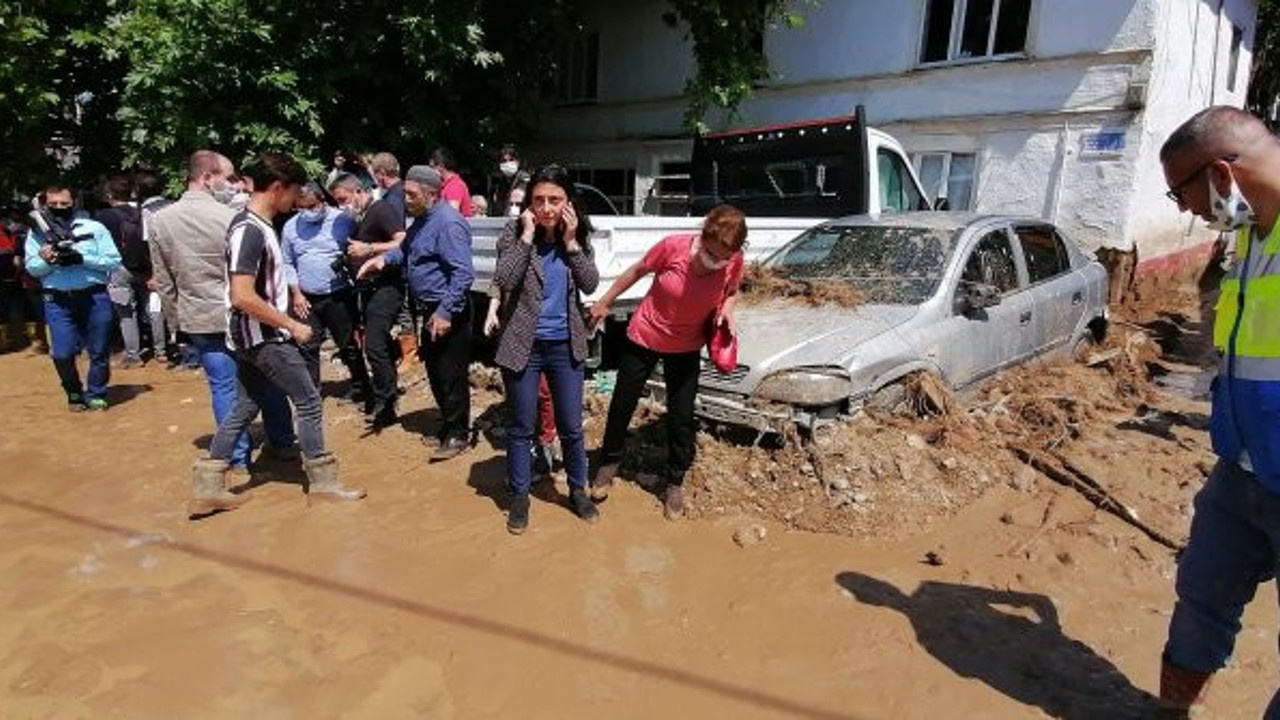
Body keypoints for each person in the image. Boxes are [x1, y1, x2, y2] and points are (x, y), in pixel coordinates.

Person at [1157, 105, 1280, 718]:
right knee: (1201, 594)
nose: (1183, 209)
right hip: (1240, 466)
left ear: (1221, 175)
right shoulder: (1252, 239)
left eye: (1181, 192)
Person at [191, 152, 366, 518]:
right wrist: (291, 325)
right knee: (309, 400)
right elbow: (242, 295)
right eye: (293, 192)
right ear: (276, 188)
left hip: (256, 336)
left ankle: (208, 485)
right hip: (265, 337)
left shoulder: (255, 226)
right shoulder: (250, 231)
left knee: (244, 405)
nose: (296, 200)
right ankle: (322, 483)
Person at [587, 205, 746, 519]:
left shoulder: (733, 261)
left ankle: (674, 481)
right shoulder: (672, 247)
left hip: (687, 346)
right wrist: (605, 302)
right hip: (644, 336)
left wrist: (728, 309)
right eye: (712, 254)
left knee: (682, 416)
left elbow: (732, 291)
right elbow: (636, 271)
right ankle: (608, 464)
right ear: (702, 238)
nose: (716, 262)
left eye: (723, 257)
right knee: (622, 404)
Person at [150, 150, 297, 475]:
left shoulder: (160, 220)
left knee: (223, 386)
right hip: (244, 315)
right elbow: (254, 274)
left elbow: (164, 280)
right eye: (228, 178)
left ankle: (237, 460)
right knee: (268, 380)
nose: (235, 185)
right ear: (206, 177)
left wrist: (178, 324)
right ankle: (284, 444)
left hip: (199, 317)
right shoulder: (234, 217)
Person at [491, 165, 600, 533]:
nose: (547, 208)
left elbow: (590, 283)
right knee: (521, 425)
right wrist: (525, 237)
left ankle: (577, 490)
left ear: (568, 202)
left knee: (571, 425)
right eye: (539, 200)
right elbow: (504, 279)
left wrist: (570, 242)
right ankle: (520, 495)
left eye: (555, 200)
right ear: (528, 204)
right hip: (524, 343)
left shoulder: (579, 233)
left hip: (565, 345)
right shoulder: (514, 232)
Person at [358, 165, 473, 457]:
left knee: (450, 374)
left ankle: (459, 434)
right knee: (435, 371)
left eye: (411, 194)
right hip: (429, 310)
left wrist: (446, 312)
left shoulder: (448, 223)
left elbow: (462, 274)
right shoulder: (421, 221)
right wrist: (384, 259)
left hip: (448, 310)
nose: (405, 199)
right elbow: (406, 249)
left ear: (431, 194)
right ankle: (448, 426)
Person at [23, 186, 122, 411]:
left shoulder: (94, 227)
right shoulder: (37, 233)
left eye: (64, 204)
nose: (59, 208)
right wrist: (47, 259)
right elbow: (32, 269)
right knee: (62, 353)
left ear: (74, 203)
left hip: (94, 297)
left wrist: (81, 258)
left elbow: (113, 261)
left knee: (99, 350)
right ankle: (73, 391)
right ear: (45, 205)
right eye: (53, 205)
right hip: (57, 300)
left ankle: (97, 392)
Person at [281, 182, 372, 408]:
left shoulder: (343, 221)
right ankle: (311, 392)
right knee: (307, 344)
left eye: (311, 205)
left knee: (348, 343)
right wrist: (297, 293)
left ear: (322, 201)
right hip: (306, 298)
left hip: (338, 294)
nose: (307, 211)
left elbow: (359, 246)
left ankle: (361, 386)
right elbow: (287, 262)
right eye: (300, 207)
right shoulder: (290, 228)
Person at [339, 159, 408, 430]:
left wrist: (369, 249)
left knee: (374, 345)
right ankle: (388, 397)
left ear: (358, 191)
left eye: (344, 198)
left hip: (386, 286)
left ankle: (385, 401)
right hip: (368, 288)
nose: (344, 205)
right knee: (378, 343)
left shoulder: (382, 209)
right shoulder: (362, 215)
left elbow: (402, 241)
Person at [96, 175, 148, 367]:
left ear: (110, 194)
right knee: (155, 309)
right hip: (146, 267)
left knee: (126, 312)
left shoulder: (104, 217)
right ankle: (161, 349)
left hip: (118, 268)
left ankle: (133, 354)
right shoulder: (143, 212)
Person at [135, 169, 174, 364]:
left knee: (156, 309)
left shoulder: (145, 213)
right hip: (180, 266)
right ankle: (181, 345)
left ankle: (161, 350)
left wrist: (153, 273)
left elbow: (147, 245)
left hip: (159, 267)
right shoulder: (176, 207)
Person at [430, 147, 473, 217]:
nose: (430, 171)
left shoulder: (455, 186)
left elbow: (451, 215)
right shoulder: (444, 185)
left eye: (432, 167)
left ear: (441, 166)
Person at [494, 144, 531, 218]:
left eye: (511, 160)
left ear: (518, 162)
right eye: (504, 161)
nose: (507, 163)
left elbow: (518, 201)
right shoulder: (501, 182)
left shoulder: (524, 178)